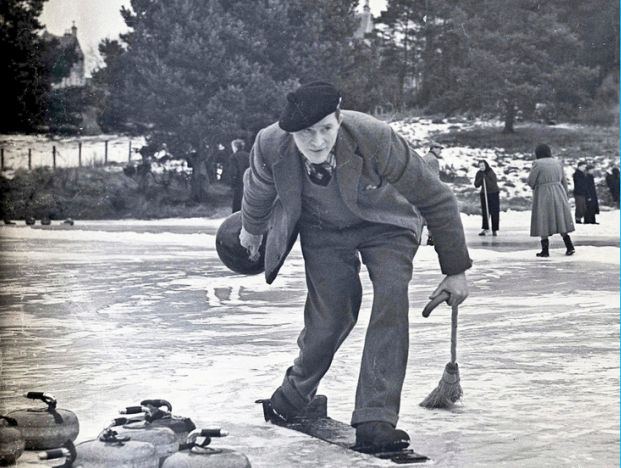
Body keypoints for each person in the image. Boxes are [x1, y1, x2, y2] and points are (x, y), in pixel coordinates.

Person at [239, 82, 471, 453]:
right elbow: (259, 188)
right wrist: (251, 231)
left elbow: (436, 197)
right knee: (331, 313)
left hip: (388, 224)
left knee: (391, 299)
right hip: (323, 228)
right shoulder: (270, 144)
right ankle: (294, 393)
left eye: (326, 129)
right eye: (305, 133)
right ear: (289, 132)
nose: (317, 142)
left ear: (339, 119)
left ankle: (375, 418)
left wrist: (455, 269)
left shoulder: (374, 137)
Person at [527, 143, 575, 257]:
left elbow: (531, 181)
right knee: (560, 219)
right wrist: (564, 194)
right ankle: (569, 246)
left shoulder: (537, 164)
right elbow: (564, 181)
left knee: (543, 219)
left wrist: (535, 187)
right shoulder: (558, 162)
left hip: (543, 193)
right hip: (559, 191)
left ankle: (545, 250)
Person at [422, 143, 443, 245]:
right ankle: (431, 238)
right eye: (439, 149)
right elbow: (435, 177)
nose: (440, 151)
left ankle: (416, 237)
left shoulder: (423, 158)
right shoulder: (434, 160)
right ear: (434, 149)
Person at [473, 160, 500, 236]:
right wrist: (481, 179)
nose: (481, 167)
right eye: (480, 166)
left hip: (493, 193)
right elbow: (476, 185)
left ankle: (494, 229)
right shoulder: (479, 173)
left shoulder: (491, 172)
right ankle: (486, 228)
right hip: (484, 194)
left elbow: (493, 185)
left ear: (486, 165)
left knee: (494, 211)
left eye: (483, 166)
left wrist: (486, 178)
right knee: (485, 212)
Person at [229, 139, 250, 213]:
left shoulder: (234, 156)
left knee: (237, 205)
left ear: (235, 147)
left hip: (238, 183)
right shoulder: (249, 155)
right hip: (249, 182)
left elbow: (233, 172)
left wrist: (232, 184)